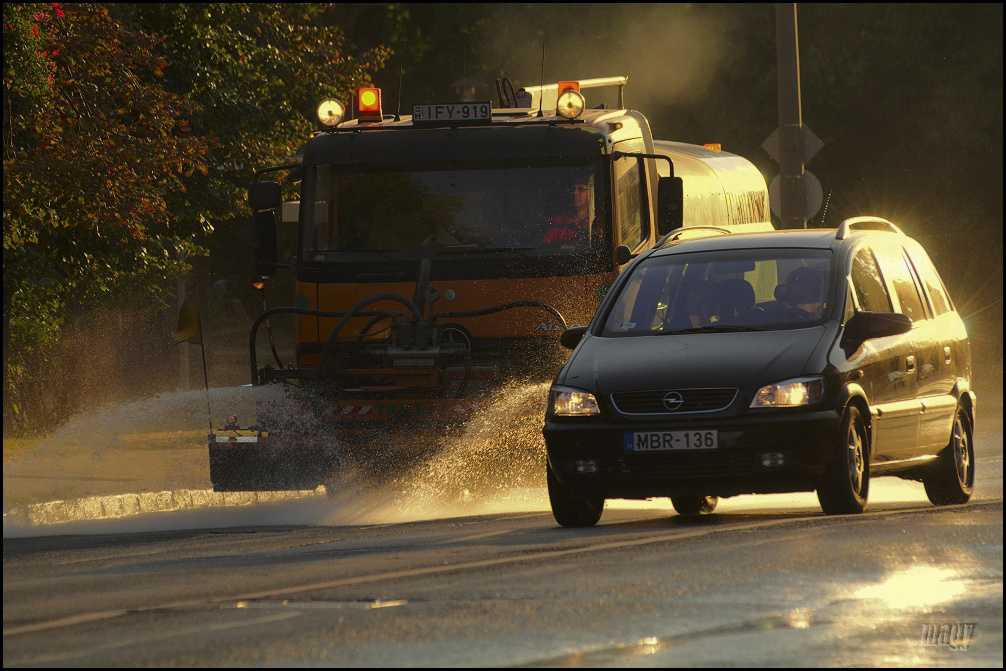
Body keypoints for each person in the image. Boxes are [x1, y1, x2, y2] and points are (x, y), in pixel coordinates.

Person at [542, 176, 597, 245]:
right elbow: (545, 249)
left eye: (581, 189)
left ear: (591, 194)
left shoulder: (594, 222)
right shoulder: (555, 223)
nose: (574, 193)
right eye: (572, 189)